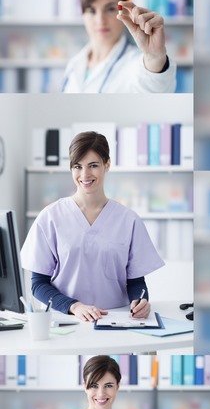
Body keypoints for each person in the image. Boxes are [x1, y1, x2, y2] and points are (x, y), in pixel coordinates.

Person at [20, 129, 164, 325]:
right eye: (77, 166)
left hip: (118, 321)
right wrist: (74, 306)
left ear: (107, 165)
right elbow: (38, 284)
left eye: (93, 165)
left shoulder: (128, 220)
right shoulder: (50, 217)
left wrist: (141, 300)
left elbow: (136, 282)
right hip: (68, 320)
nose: (85, 174)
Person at [59, 0, 177, 95]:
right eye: (91, 10)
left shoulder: (136, 63)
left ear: (124, 11)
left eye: (110, 9)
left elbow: (155, 90)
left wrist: (154, 57)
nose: (100, 21)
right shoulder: (74, 64)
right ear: (82, 14)